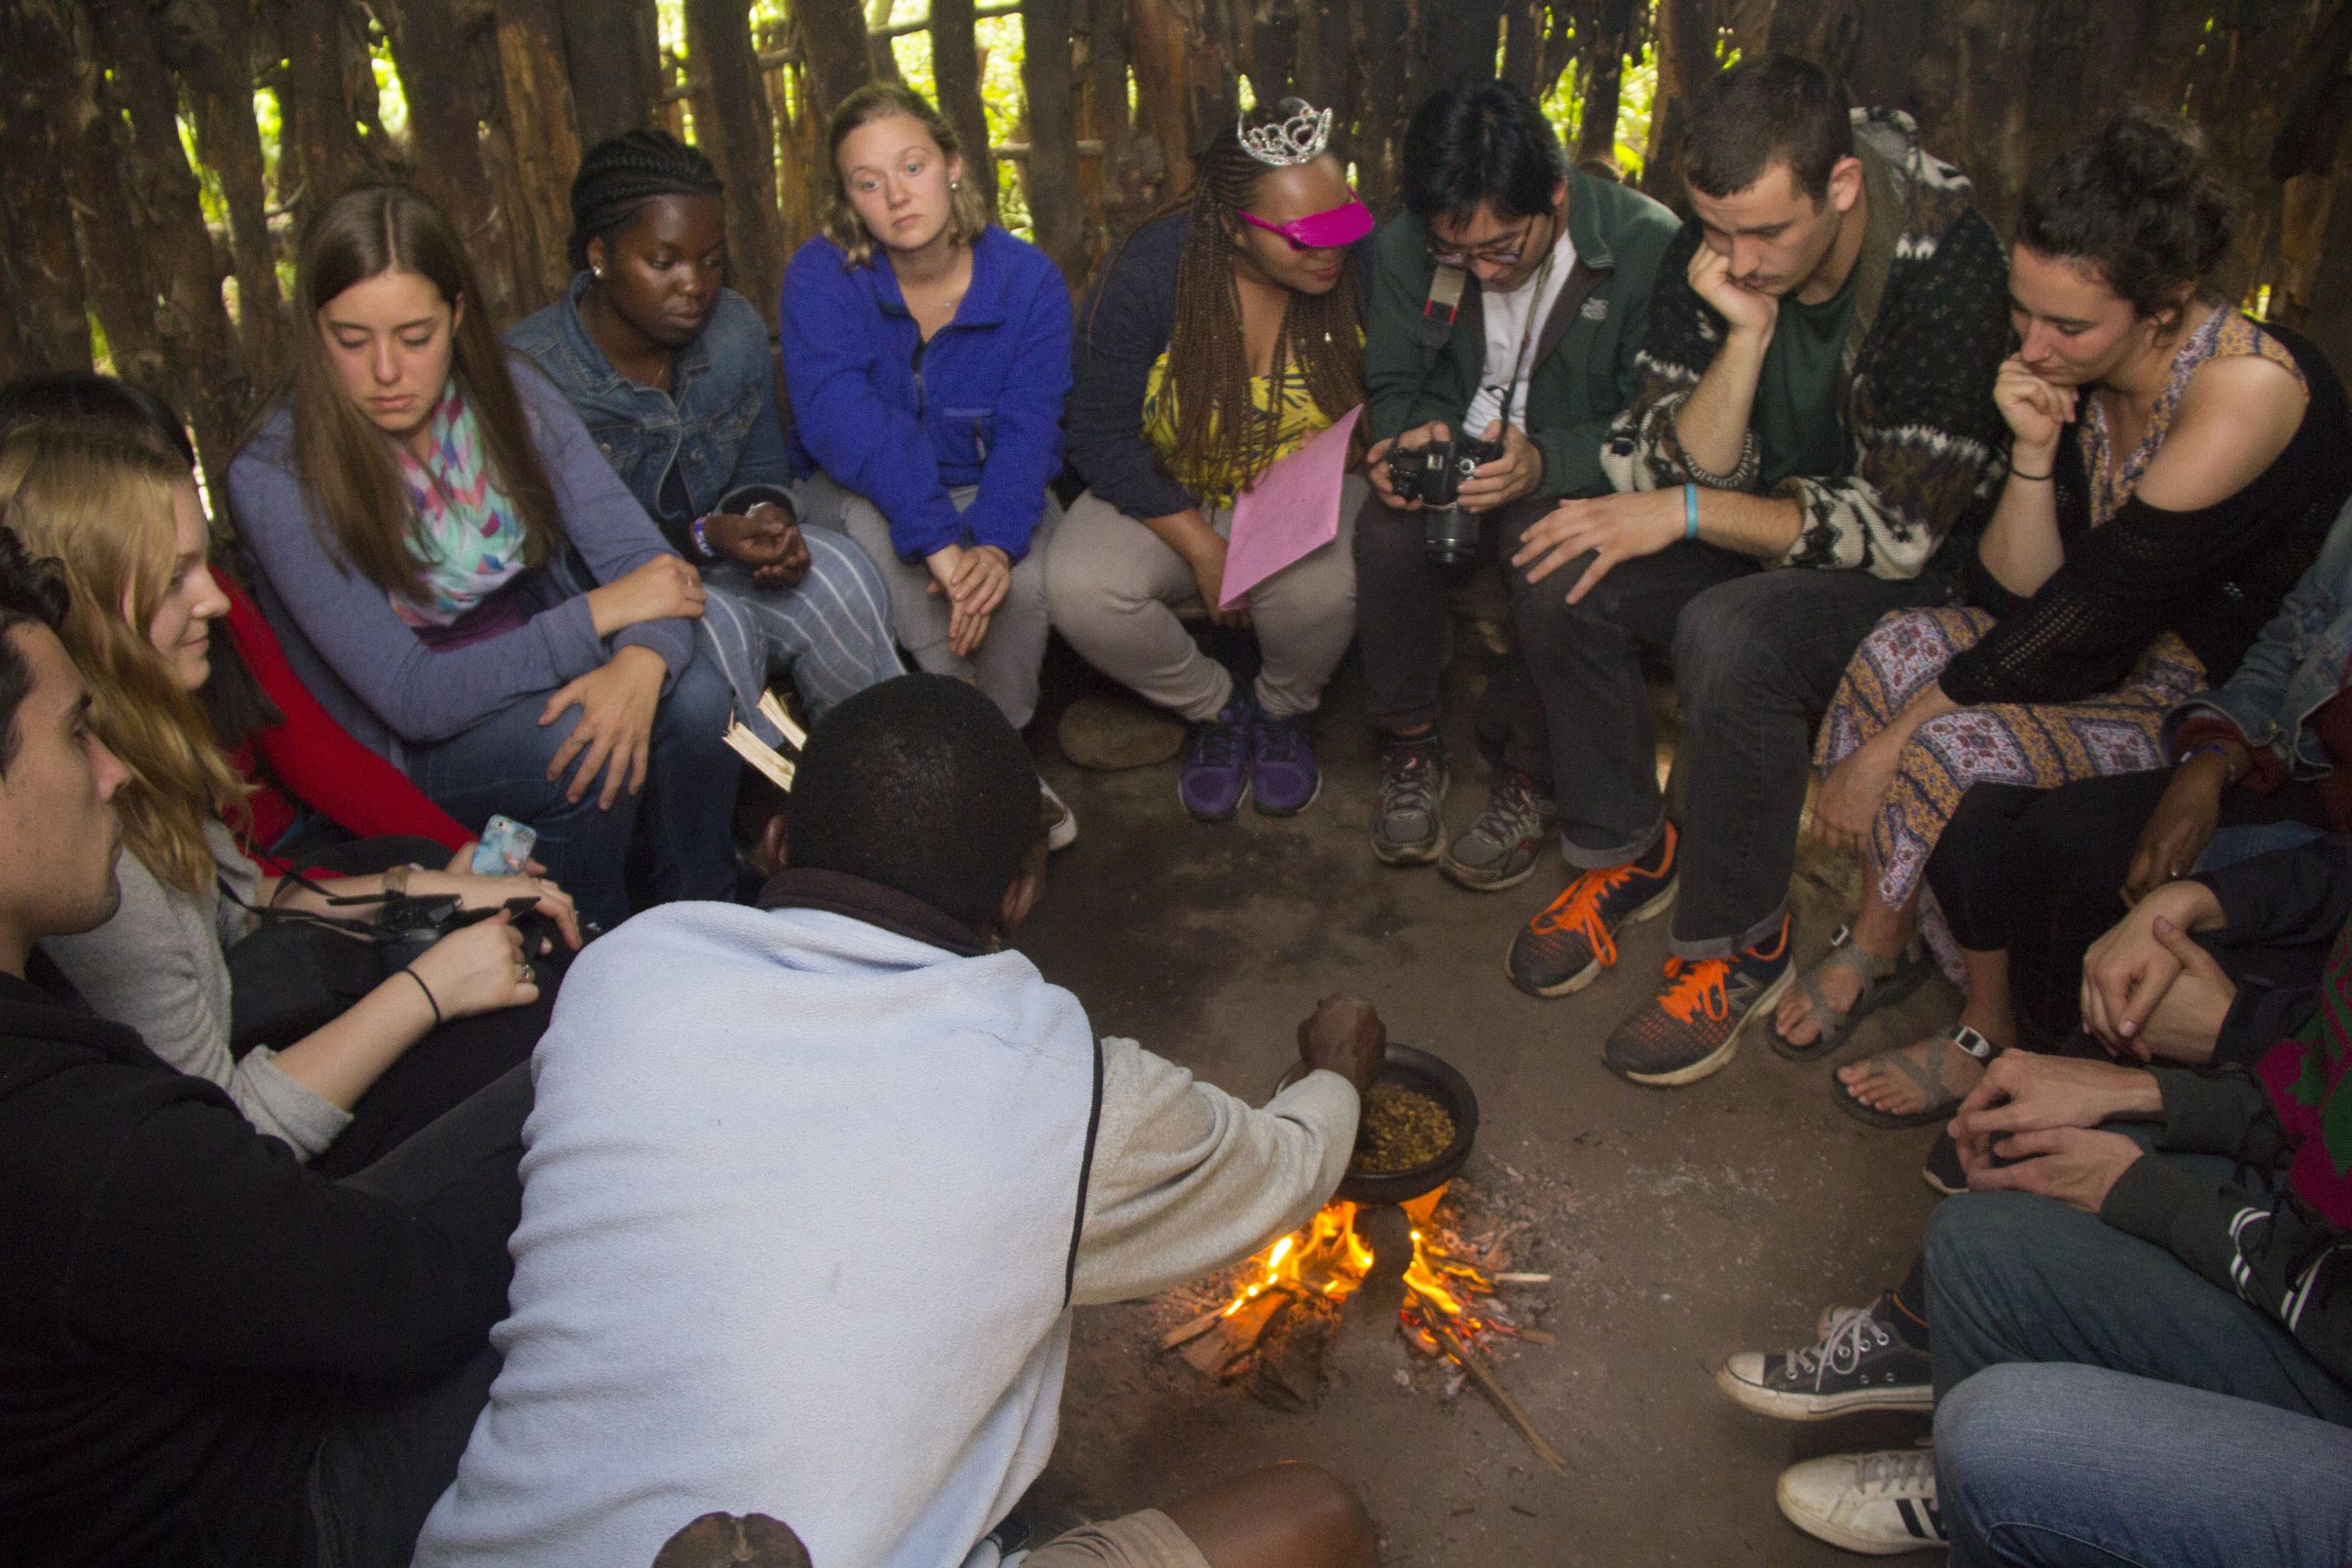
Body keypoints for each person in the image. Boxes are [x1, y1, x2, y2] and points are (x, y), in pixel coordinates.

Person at [414, 674, 1382, 1568]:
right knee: (1316, 1519)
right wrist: (1335, 1072)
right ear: (1019, 893)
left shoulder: (624, 972)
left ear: (777, 843)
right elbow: (1288, 1169)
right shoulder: (1066, 1089)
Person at [1781, 110, 2352, 1130]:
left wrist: (1883, 752)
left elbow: (2086, 621)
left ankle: (1986, 1030)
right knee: (1896, 645)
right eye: (2022, 310)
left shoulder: (2243, 391)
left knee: (1943, 745)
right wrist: (2036, 454)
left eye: (2068, 328)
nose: (2034, 346)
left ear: (2162, 307)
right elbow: (2014, 599)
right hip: (2095, 650)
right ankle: (1880, 936)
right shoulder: (2074, 376)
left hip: (2198, 697)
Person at [0, 522, 530, 1568]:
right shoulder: (75, 1140)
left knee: (565, 1066)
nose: (111, 771)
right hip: (281, 1499)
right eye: (74, 736)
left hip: (234, 1339)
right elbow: (405, 1304)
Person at [1497, 54, 2009, 1085]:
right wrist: (1745, 336)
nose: (1736, 258)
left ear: (1842, 186)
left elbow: (1900, 532)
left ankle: (1741, 944)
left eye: (1767, 234)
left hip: (1908, 571)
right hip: (1761, 521)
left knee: (1732, 634)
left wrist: (1687, 511)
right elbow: (1660, 455)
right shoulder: (1723, 244)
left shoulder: (1944, 267)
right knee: (1561, 555)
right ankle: (1627, 850)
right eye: (1716, 230)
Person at [1754, 836, 2352, 1559]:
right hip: (2310, 1272)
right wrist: (2146, 1091)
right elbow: (2322, 1079)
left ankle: (2007, 1486)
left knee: (1997, 1438)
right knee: (1976, 1237)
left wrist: (2141, 1186)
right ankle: (1957, 1440)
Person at [4, 421, 573, 1176]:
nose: (215, 599)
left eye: (204, 565)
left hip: (250, 1010)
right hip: (254, 1157)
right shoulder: (98, 864)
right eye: (175, 580)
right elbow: (222, 1139)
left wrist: (438, 887)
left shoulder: (142, 746)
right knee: (533, 1037)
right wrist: (430, 988)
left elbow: (248, 900)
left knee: (440, 887)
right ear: (93, 614)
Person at [231, 183, 740, 931]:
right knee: (577, 744)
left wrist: (638, 663)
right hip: (413, 743)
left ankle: (709, 925)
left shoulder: (511, 393)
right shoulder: (273, 472)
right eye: (351, 340)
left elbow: (651, 568)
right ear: (313, 330)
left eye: (415, 337)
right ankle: (579, 948)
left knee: (695, 698)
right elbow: (412, 695)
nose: (386, 371)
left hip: (542, 673)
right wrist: (599, 615)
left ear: (458, 315)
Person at [1354, 79, 1679, 876]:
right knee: (1387, 531)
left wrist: (1546, 462)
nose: (1483, 272)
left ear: (1556, 193)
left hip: (1574, 469)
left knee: (1547, 558)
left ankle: (1530, 778)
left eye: (1502, 248)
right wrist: (1409, 435)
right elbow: (1393, 382)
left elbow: (1660, 428)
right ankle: (1410, 745)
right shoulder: (1405, 247)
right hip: (1464, 453)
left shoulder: (1645, 246)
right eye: (1455, 253)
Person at [1910, 493, 2352, 1061]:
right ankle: (2020, 1048)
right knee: (2029, 829)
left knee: (2151, 950)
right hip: (2305, 770)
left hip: (2333, 858)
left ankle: (2067, 1070)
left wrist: (2209, 900)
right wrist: (2209, 761)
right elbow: (2283, 651)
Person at [505, 130, 905, 750]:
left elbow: (761, 469)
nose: (695, 284)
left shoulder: (733, 330)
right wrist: (708, 537)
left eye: (712, 260)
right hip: (612, 601)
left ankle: (879, 773)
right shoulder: (532, 374)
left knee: (842, 576)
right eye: (663, 262)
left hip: (718, 562)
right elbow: (557, 566)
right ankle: (769, 796)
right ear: (600, 255)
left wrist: (764, 519)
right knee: (717, 633)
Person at [0, 372, 475, 866]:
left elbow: (316, 755)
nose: (214, 599)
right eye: (172, 575)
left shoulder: (207, 601)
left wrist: (465, 858)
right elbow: (218, 889)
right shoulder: (76, 734)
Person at [1053, 97, 1373, 821]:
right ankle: (1219, 709)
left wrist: (1364, 444)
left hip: (1308, 484)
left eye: (1343, 221)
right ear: (1232, 226)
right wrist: (1202, 547)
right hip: (1175, 481)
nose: (1331, 248)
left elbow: (1404, 388)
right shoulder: (1150, 270)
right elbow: (1097, 433)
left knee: (1328, 587)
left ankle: (1283, 708)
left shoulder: (1361, 259)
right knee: (1079, 587)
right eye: (1304, 236)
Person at [779, 84, 1078, 847]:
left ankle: (991, 759)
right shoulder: (821, 275)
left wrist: (994, 545)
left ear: (951, 164)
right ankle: (990, 776)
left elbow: (1030, 430)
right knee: (901, 561)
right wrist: (941, 543)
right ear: (848, 200)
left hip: (989, 483)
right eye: (868, 181)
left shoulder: (1028, 282)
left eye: (911, 166)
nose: (896, 195)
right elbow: (848, 423)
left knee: (1023, 582)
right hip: (858, 486)